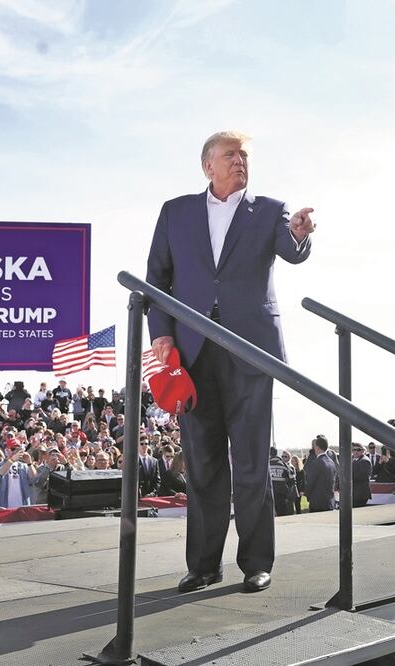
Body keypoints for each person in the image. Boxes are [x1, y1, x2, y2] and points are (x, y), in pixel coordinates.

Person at [145, 130, 315, 595]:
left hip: (251, 350)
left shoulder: (271, 209)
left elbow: (292, 249)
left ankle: (256, 562)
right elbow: (157, 279)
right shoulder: (175, 211)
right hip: (193, 351)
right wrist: (161, 332)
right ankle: (203, 565)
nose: (240, 161)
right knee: (202, 464)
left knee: (253, 462)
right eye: (230, 155)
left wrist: (299, 235)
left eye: (244, 155)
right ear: (208, 166)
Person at [304, 436, 337, 513]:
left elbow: (311, 482)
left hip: (318, 503)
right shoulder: (331, 462)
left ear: (318, 447)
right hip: (329, 501)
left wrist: (307, 495)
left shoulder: (317, 462)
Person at [268, 447, 297, 516]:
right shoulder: (283, 464)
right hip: (282, 495)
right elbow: (292, 479)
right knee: (282, 515)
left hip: (269, 495)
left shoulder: (266, 465)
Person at [350, 443, 373, 508]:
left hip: (360, 494)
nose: (356, 452)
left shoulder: (364, 461)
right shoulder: (355, 460)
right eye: (354, 450)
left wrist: (346, 479)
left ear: (363, 451)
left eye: (358, 450)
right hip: (356, 493)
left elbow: (361, 477)